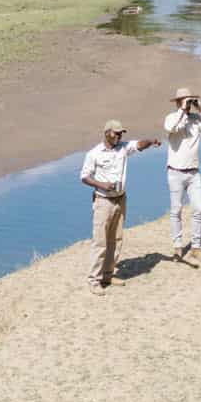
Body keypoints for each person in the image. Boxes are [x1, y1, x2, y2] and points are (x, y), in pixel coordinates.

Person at [79, 119, 159, 293]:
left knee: (116, 239)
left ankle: (108, 274)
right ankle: (94, 280)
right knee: (100, 242)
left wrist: (151, 141)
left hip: (121, 199)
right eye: (116, 133)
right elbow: (84, 177)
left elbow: (139, 145)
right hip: (103, 201)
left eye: (121, 133)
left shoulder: (123, 147)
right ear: (107, 133)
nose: (119, 136)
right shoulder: (94, 153)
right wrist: (102, 185)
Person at [163, 86, 201, 261]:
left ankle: (196, 246)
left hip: (194, 172)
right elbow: (171, 128)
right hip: (175, 172)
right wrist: (182, 111)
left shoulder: (196, 119)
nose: (188, 104)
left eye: (189, 100)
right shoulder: (171, 118)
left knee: (199, 209)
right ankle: (178, 246)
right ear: (177, 102)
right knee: (176, 210)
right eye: (185, 100)